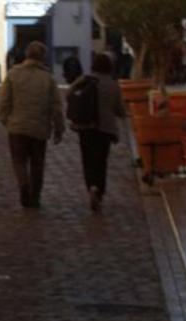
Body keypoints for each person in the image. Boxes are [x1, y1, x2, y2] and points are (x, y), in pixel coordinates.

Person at [0, 41, 64, 209]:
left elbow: (4, 101)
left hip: (17, 127)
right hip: (39, 128)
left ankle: (23, 185)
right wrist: (59, 128)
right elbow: (56, 105)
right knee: (37, 163)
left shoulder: (13, 74)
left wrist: (6, 120)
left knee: (19, 160)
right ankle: (35, 196)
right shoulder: (47, 78)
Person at [69, 53, 126, 212]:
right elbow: (119, 110)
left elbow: (69, 94)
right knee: (101, 161)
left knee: (87, 160)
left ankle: (91, 186)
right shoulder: (113, 85)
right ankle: (99, 190)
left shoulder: (85, 80)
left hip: (85, 126)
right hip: (105, 129)